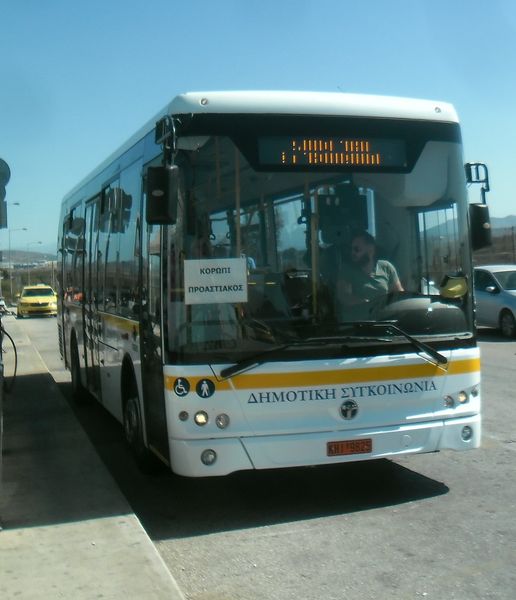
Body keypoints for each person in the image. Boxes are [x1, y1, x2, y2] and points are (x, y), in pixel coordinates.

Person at [339, 230, 403, 305]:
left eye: (356, 249)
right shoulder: (347, 270)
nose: (352, 253)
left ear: (370, 250)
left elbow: (399, 293)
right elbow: (344, 295)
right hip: (361, 311)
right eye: (351, 249)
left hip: (384, 310)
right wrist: (365, 304)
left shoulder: (386, 267)